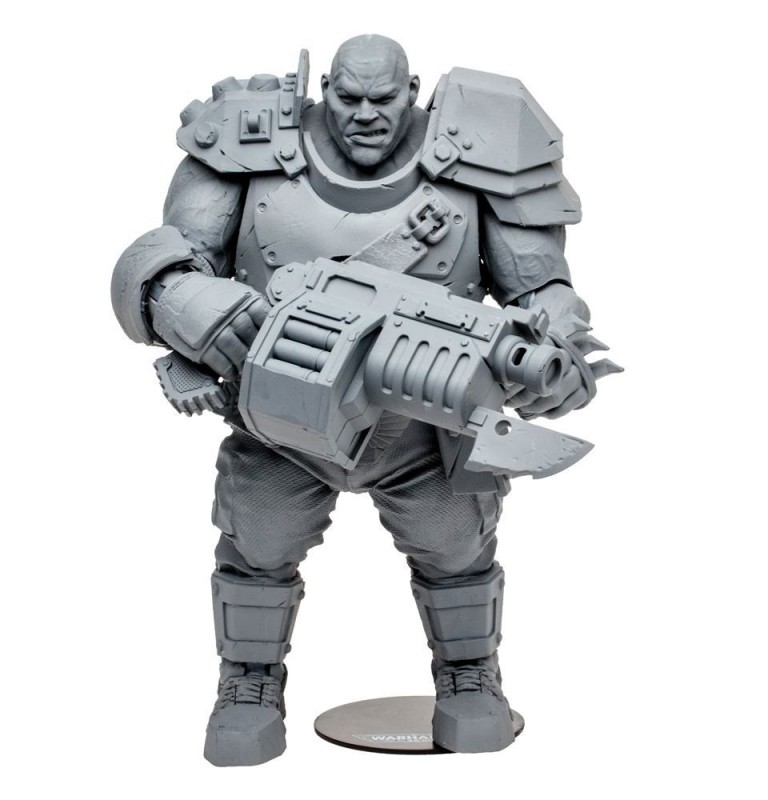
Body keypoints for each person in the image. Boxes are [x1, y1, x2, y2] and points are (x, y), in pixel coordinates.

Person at [111, 34, 617, 766]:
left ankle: (468, 674)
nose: (366, 115)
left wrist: (552, 349)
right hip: (281, 411)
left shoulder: (485, 148)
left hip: (427, 420)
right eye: (349, 98)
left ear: (413, 92)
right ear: (324, 92)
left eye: (383, 99)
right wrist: (198, 309)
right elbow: (157, 263)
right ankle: (249, 682)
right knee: (258, 545)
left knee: (456, 549)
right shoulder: (250, 141)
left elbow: (542, 285)